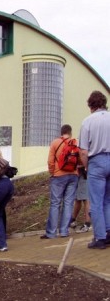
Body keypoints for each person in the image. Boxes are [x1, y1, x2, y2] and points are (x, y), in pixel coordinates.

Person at [79, 90, 110, 249]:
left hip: (96, 161)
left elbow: (83, 151)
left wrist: (86, 166)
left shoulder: (88, 121)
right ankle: (108, 231)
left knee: (96, 201)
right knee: (108, 199)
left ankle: (100, 238)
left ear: (91, 105)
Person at [40, 124, 79, 239]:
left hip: (58, 175)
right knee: (68, 203)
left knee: (55, 203)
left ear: (61, 132)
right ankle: (64, 231)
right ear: (70, 132)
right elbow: (80, 159)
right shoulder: (75, 142)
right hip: (73, 175)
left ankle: (51, 233)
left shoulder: (55, 142)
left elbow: (50, 161)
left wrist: (52, 172)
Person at [69, 166, 91, 233]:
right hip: (77, 173)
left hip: (82, 173)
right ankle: (73, 220)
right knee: (78, 198)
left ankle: (87, 223)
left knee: (86, 199)